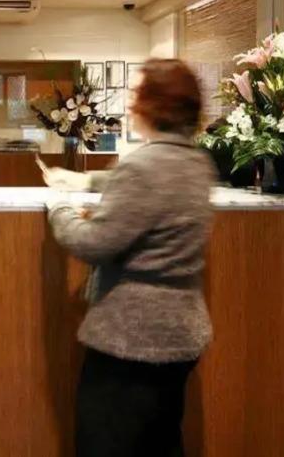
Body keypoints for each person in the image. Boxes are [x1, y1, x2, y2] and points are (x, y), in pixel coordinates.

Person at [43, 58, 215, 456]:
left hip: (132, 339)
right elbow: (150, 189)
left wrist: (59, 207)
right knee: (160, 443)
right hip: (180, 336)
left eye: (136, 94)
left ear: (156, 105)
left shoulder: (142, 165)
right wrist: (88, 180)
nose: (129, 104)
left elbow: (93, 242)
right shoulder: (196, 162)